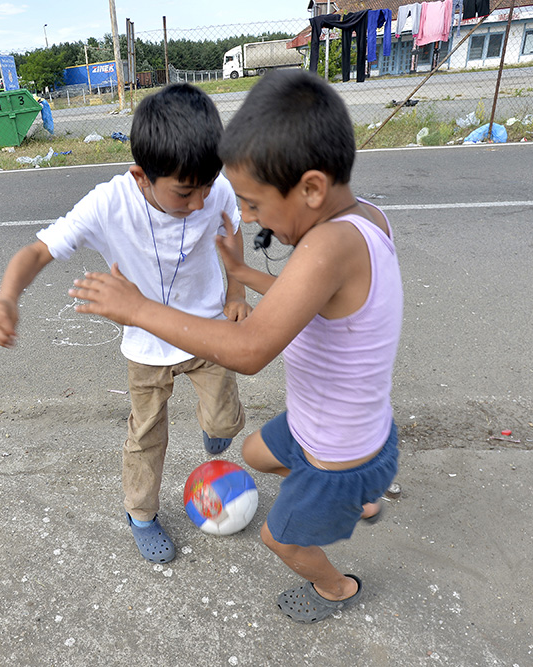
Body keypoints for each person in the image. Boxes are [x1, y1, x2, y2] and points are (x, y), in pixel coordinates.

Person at [68, 70, 402, 624]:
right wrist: (242, 275)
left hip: (337, 451)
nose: (245, 216)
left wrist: (137, 309)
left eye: (251, 203)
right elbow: (313, 297)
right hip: (345, 424)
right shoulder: (364, 219)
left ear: (311, 188)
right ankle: (360, 492)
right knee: (251, 454)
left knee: (280, 539)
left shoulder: (326, 247)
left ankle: (336, 588)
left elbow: (247, 351)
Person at [0, 83, 249, 565]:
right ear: (141, 176)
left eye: (208, 186)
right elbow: (38, 251)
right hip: (145, 349)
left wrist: (236, 292)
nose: (200, 201)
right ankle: (141, 515)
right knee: (146, 436)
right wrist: (6, 297)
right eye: (185, 192)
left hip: (207, 333)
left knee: (224, 422)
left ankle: (216, 425)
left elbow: (233, 232)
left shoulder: (215, 189)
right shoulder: (107, 204)